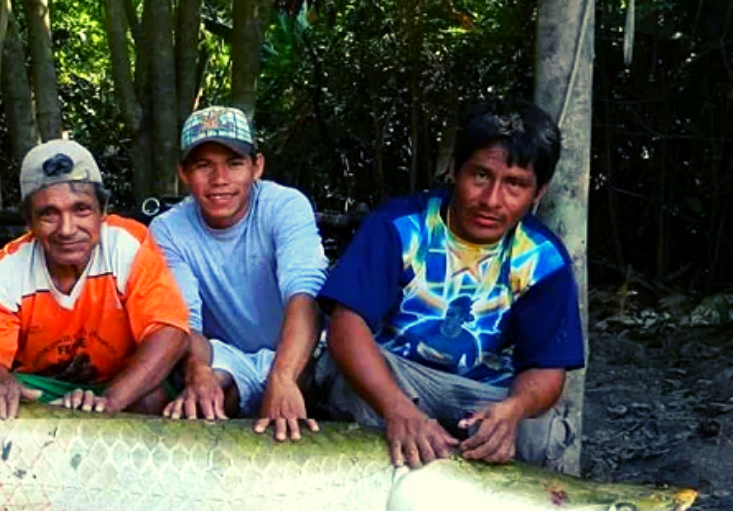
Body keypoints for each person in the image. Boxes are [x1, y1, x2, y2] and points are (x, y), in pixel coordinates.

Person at [316, 98, 584, 470]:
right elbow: (346, 326)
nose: (492, 200)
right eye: (480, 176)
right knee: (351, 385)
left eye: (515, 185)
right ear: (455, 170)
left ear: (538, 193)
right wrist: (397, 408)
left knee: (540, 431)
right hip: (399, 373)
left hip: (480, 392)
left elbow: (547, 370)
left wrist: (511, 410)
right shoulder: (400, 226)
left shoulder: (542, 260)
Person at [0, 139, 189, 419]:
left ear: (103, 211)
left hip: (120, 383)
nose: (67, 229)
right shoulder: (1, 273)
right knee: (0, 400)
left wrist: (108, 402)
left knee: (152, 397)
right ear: (28, 221)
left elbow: (170, 332)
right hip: (45, 390)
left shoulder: (127, 244)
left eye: (81, 209)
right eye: (49, 214)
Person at [149, 106, 328, 440]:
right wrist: (198, 372)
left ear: (256, 166)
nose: (219, 180)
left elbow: (304, 295)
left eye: (234, 163)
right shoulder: (168, 229)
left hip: (301, 348)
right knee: (203, 400)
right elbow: (185, 323)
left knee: (310, 391)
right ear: (184, 173)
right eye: (203, 165)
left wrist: (284, 377)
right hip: (228, 355)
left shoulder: (285, 206)